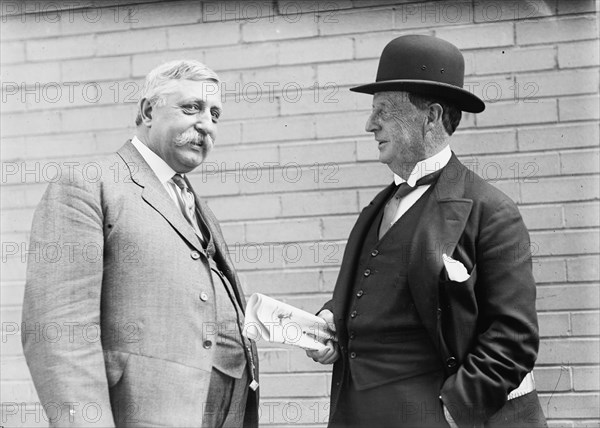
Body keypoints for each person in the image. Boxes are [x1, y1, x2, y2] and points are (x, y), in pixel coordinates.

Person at [306, 35, 547, 428]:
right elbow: (371, 295)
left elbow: (513, 337)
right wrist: (330, 323)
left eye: (383, 111)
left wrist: (453, 410)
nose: (370, 125)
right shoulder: (377, 208)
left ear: (431, 117)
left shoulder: (491, 211)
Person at [21, 60, 259, 428]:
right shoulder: (90, 185)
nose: (206, 125)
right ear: (148, 111)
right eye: (191, 108)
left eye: (215, 115)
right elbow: (60, 332)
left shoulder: (195, 204)